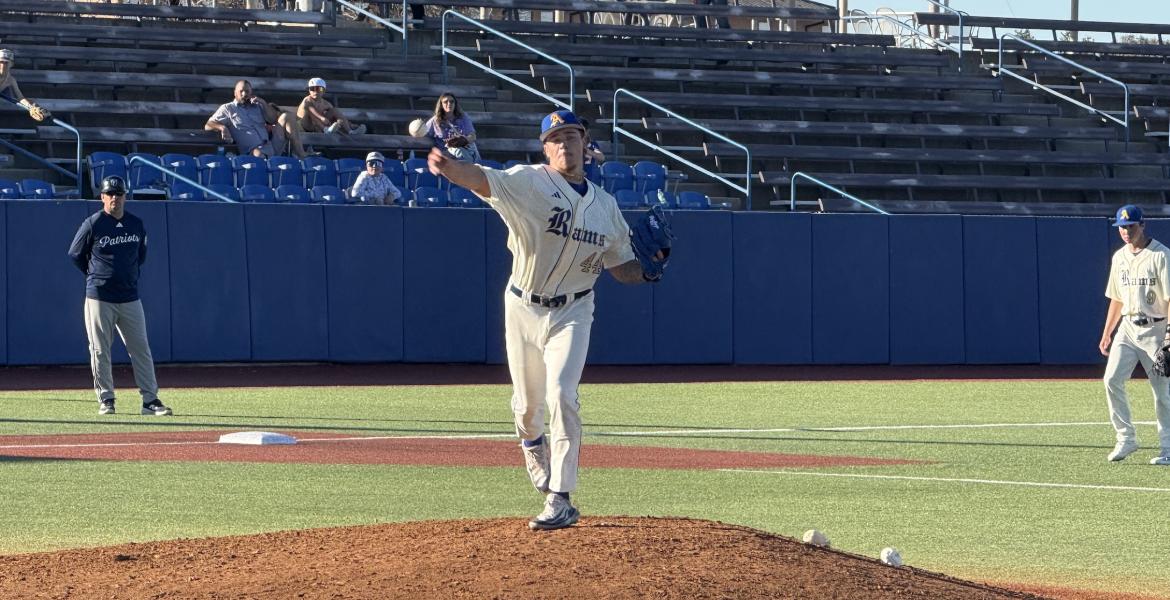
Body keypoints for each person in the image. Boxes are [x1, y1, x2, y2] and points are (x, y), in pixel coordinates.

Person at [427, 110, 665, 530]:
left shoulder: (605, 206)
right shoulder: (529, 181)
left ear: (584, 143)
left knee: (562, 395)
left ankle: (561, 497)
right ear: (545, 147)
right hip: (522, 306)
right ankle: (532, 442)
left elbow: (622, 268)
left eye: (571, 136)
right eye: (555, 138)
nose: (564, 145)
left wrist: (650, 270)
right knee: (527, 407)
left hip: (575, 310)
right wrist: (449, 169)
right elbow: (481, 179)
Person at [67, 175, 172, 418]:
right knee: (100, 350)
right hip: (99, 296)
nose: (114, 198)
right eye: (110, 194)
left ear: (125, 196)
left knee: (140, 349)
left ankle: (150, 400)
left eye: (119, 193)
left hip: (129, 297)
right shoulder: (93, 223)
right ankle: (106, 399)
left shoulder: (136, 224)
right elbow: (75, 254)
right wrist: (94, 274)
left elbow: (140, 256)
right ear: (102, 197)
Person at [1099, 204, 1170, 466]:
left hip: (1156, 328)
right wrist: (1107, 332)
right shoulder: (1119, 257)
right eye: (1122, 228)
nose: (1126, 232)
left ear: (1142, 225)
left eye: (1130, 226)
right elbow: (1116, 298)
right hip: (1127, 327)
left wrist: (1169, 337)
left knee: (1162, 391)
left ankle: (1168, 447)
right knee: (1111, 379)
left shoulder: (1161, 255)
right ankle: (1126, 438)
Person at [205, 79, 307, 159]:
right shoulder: (228, 108)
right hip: (252, 152)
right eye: (241, 91)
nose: (244, 94)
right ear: (235, 93)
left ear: (251, 92)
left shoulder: (258, 105)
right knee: (258, 154)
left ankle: (301, 156)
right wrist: (222, 127)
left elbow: (273, 119)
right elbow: (208, 125)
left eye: (247, 91)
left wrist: (263, 103)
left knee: (287, 116)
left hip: (271, 146)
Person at [297, 77, 366, 136]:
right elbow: (310, 108)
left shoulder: (326, 103)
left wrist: (348, 123)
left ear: (324, 91)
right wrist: (321, 118)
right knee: (310, 112)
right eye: (312, 89)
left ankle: (350, 131)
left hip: (318, 127)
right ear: (309, 90)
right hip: (305, 126)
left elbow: (336, 114)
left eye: (319, 89)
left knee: (334, 111)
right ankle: (326, 130)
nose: (315, 91)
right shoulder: (307, 100)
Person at [424, 92, 480, 163]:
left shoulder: (462, 117)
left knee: (468, 154)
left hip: (464, 151)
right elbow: (423, 133)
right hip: (446, 154)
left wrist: (464, 140)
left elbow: (473, 136)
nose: (449, 104)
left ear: (455, 104)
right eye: (445, 102)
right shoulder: (435, 121)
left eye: (452, 101)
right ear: (441, 105)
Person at [0, 49, 52, 123]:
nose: (3, 65)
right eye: (1, 62)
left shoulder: (11, 80)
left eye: (6, 62)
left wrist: (31, 107)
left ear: (11, 64)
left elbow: (20, 98)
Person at [579, 118, 605, 184]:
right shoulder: (571, 144)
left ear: (587, 131)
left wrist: (586, 150)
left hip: (588, 179)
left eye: (582, 130)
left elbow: (601, 157)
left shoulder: (592, 144)